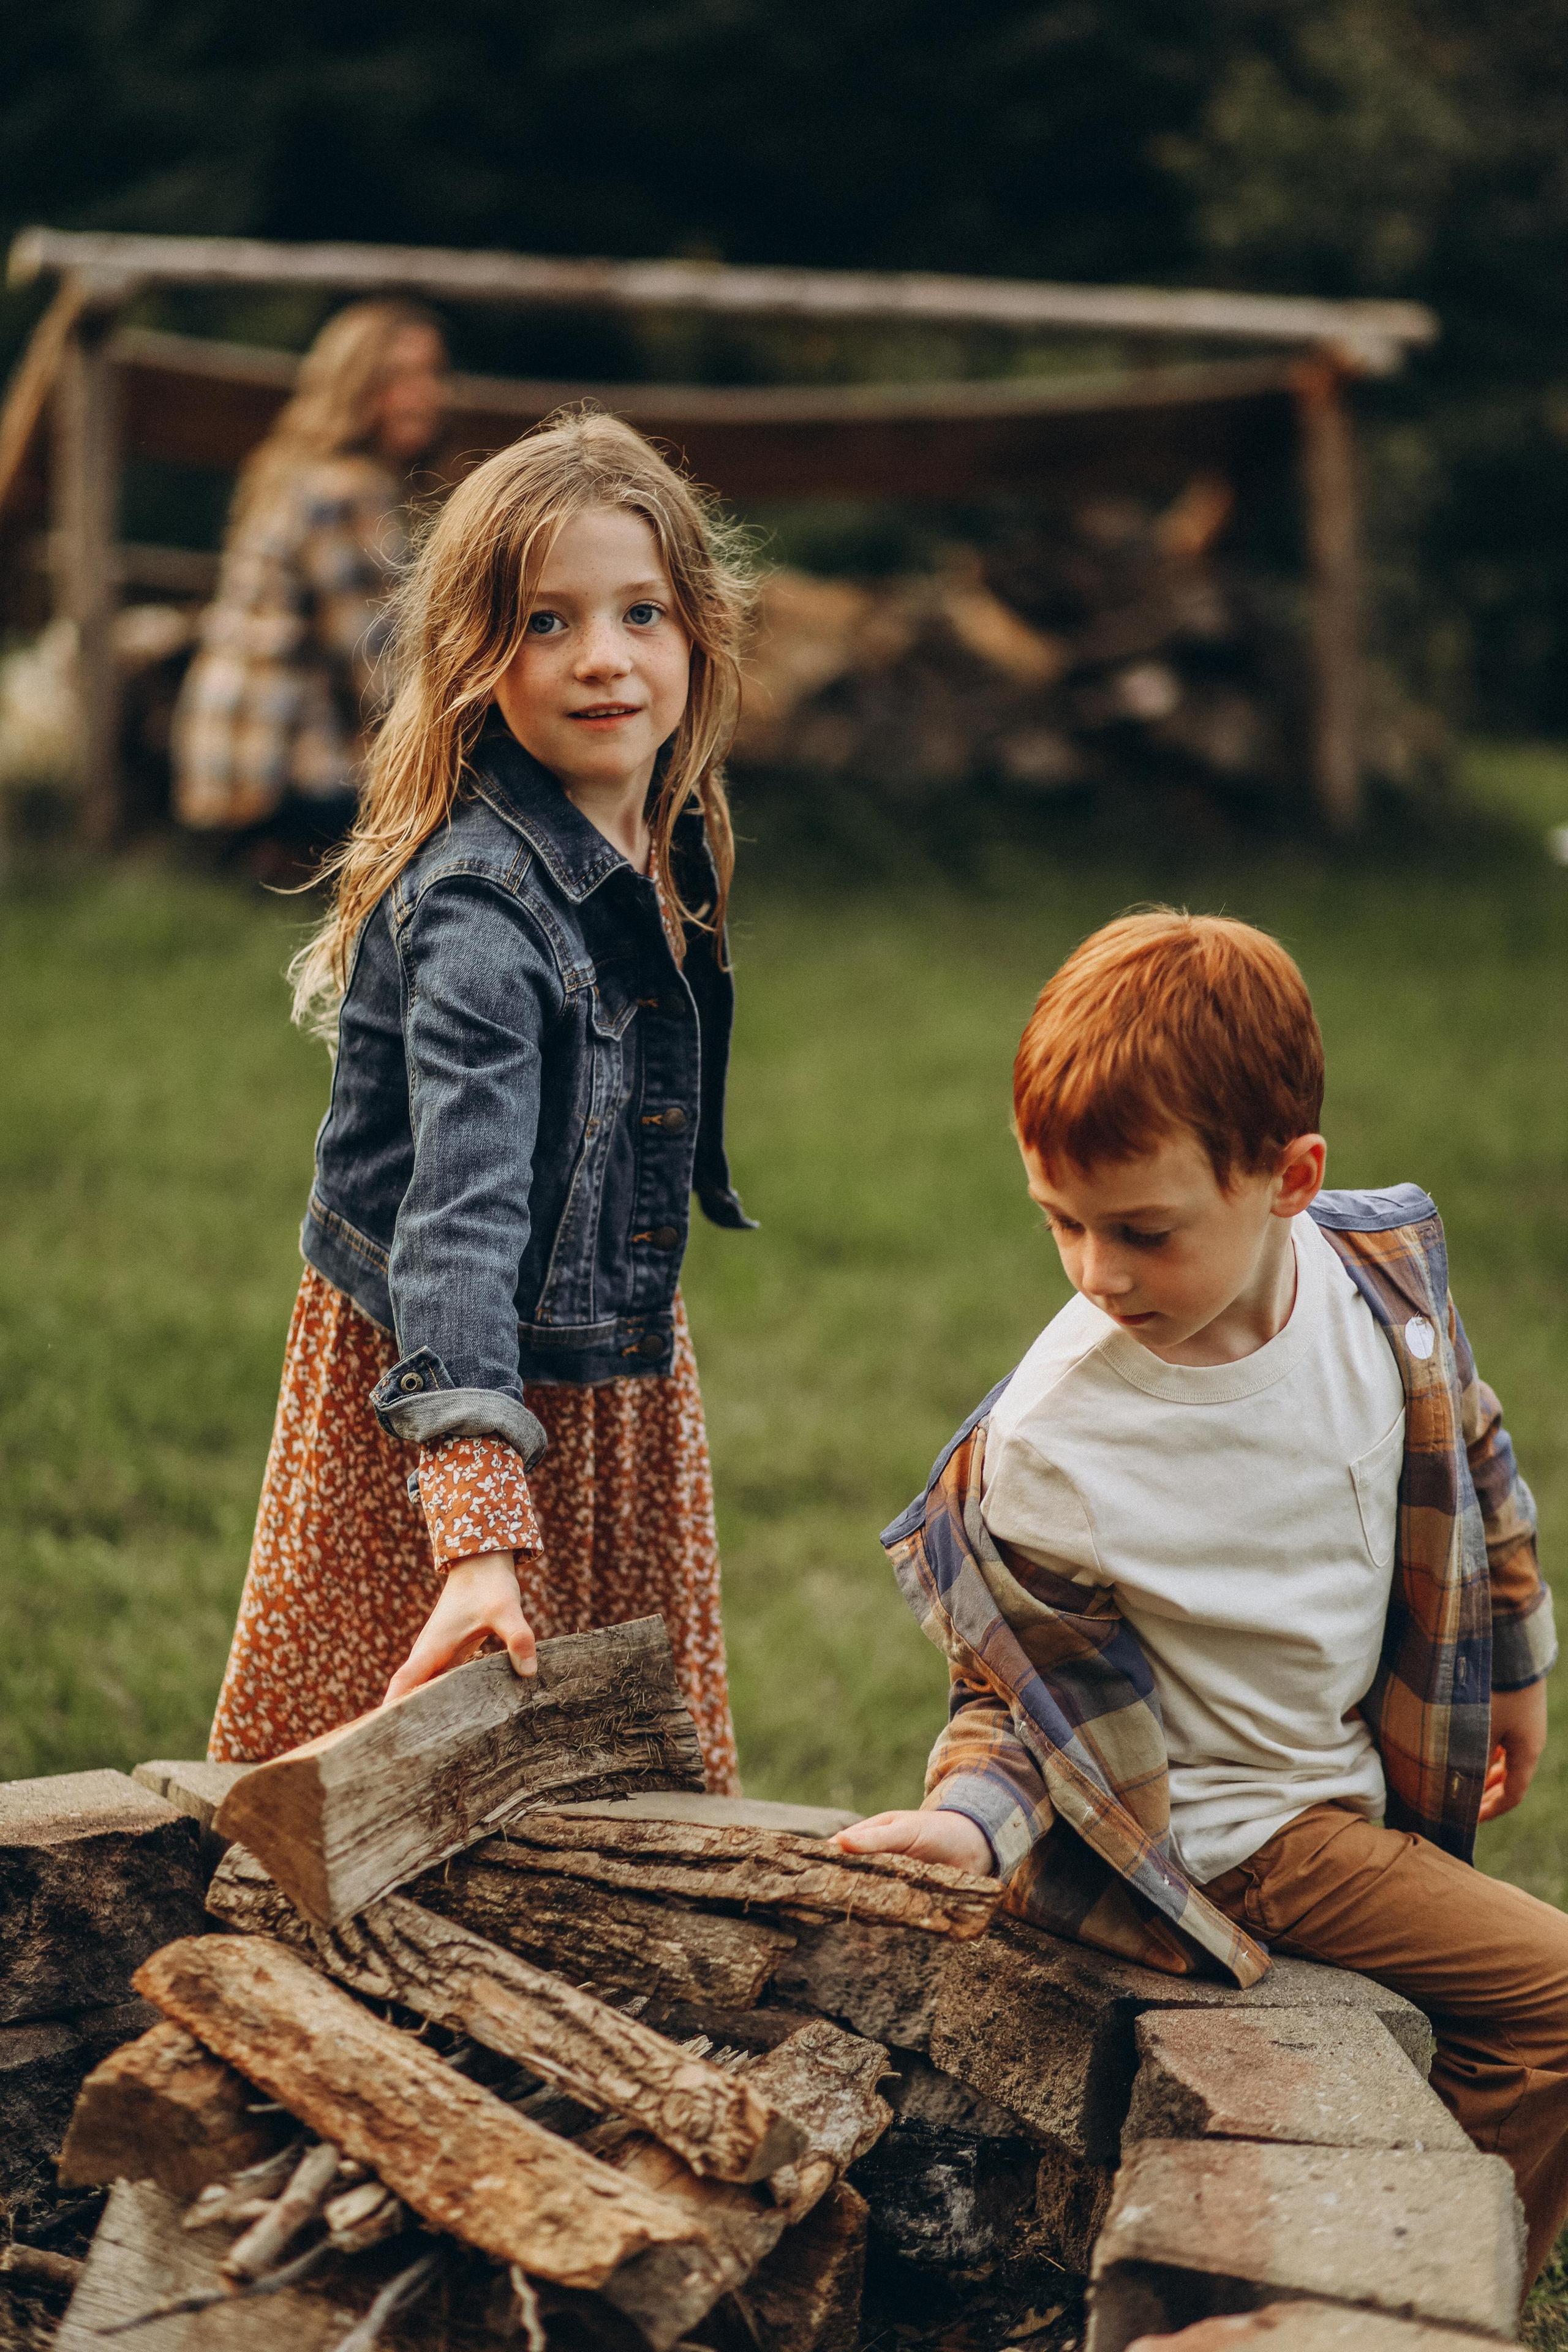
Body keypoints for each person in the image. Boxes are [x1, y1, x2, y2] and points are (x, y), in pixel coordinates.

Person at [838, 910, 1567, 2283]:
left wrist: (1515, 1667)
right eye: (1060, 1224)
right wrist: (966, 1827)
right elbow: (1023, 1695)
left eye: (1142, 1231)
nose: (1098, 1275)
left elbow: (1474, 1454)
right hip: (1238, 1832)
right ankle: (1413, 2291)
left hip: (1354, 1770)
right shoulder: (1054, 1445)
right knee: (1557, 2004)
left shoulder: (1383, 1284)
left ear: (1288, 1178)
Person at [207, 408, 756, 1795]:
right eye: (546, 621)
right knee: (394, 1794)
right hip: (454, 1390)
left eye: (639, 610)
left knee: (592, 1790)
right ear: (472, 653)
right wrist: (476, 1527)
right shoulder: (478, 914)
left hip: (600, 1371)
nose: (602, 658)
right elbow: (457, 1222)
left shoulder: (648, 835)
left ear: (696, 630)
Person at [172, 298, 448, 845]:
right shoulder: (346, 491)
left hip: (224, 764)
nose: (425, 395)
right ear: (354, 386)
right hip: (278, 774)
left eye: (434, 374)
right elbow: (382, 670)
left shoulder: (291, 471)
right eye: (398, 376)